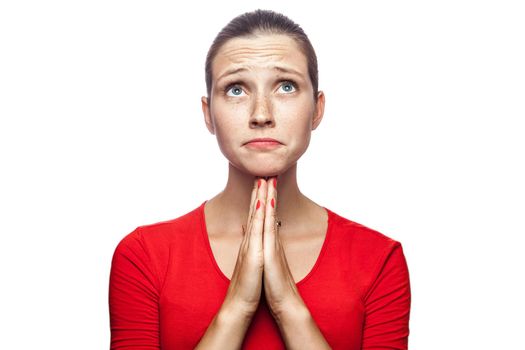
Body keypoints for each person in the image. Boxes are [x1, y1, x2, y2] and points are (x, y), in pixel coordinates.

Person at [108, 9, 411, 350]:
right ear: (209, 114)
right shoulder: (145, 256)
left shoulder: (377, 259)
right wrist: (238, 305)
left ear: (317, 109)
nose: (261, 115)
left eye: (286, 87)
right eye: (236, 90)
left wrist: (287, 306)